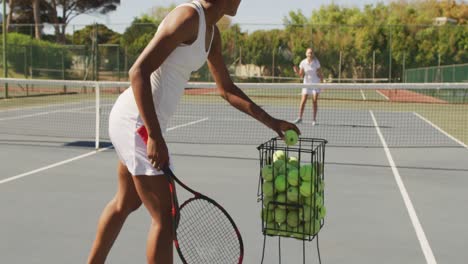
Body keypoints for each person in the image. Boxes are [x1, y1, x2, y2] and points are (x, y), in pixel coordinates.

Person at [87, 0, 300, 263]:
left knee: (126, 203)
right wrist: (154, 135)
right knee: (166, 217)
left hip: (142, 123)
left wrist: (273, 122)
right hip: (137, 123)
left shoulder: (211, 33)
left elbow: (227, 89)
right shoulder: (187, 18)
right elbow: (138, 71)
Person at [293, 47, 324, 126]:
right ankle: (300, 118)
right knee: (303, 101)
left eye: (311, 53)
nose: (310, 54)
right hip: (306, 84)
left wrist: (322, 84)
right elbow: (301, 75)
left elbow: (320, 73)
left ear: (313, 54)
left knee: (314, 101)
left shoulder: (316, 62)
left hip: (315, 84)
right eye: (309, 53)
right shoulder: (303, 62)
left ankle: (314, 120)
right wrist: (296, 71)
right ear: (306, 54)